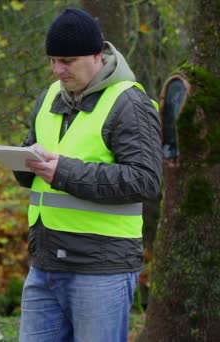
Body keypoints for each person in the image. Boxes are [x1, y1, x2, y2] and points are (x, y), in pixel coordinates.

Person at [14, 8, 162, 342]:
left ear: (97, 55)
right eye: (52, 60)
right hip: (45, 262)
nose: (57, 70)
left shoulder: (129, 103)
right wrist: (24, 162)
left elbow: (146, 180)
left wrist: (62, 172)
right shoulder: (49, 96)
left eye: (66, 60)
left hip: (101, 268)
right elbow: (36, 161)